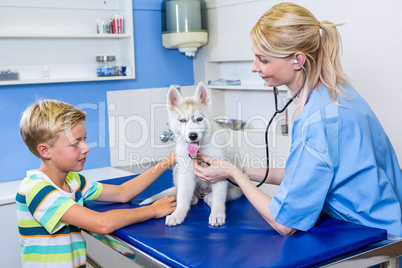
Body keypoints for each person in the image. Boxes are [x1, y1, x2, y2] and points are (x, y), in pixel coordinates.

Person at [194, 2, 402, 237]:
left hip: (373, 236)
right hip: (388, 221)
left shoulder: (317, 120)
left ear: (298, 60)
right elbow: (306, 175)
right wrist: (240, 170)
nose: (254, 67)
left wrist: (234, 174)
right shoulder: (341, 94)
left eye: (263, 60)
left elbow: (284, 224)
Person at [16, 99, 177, 267]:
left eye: (84, 139)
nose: (86, 147)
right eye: (75, 143)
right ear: (45, 150)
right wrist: (153, 209)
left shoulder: (73, 181)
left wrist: (169, 161)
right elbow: (102, 223)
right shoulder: (36, 189)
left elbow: (122, 193)